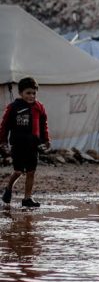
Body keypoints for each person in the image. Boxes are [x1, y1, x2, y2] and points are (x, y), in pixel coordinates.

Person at [0, 77, 50, 208]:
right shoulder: (14, 107)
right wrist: (3, 141)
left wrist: (46, 140)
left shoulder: (39, 107)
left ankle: (27, 198)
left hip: (33, 145)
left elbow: (43, 124)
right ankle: (9, 188)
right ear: (20, 93)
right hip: (18, 145)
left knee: (31, 172)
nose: (31, 96)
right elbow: (4, 125)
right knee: (18, 171)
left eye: (34, 93)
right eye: (28, 93)